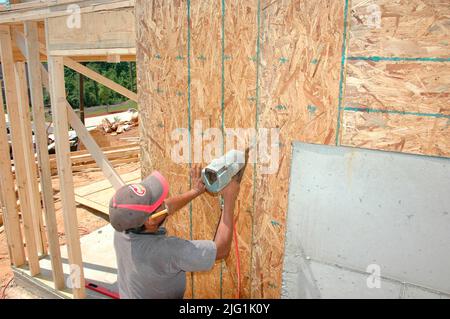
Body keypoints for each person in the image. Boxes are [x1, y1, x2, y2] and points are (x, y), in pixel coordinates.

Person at [109, 165, 241, 299]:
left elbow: (165, 209)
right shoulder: (167, 250)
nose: (164, 202)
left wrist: (195, 191)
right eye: (159, 203)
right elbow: (221, 249)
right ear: (151, 220)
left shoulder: (122, 228)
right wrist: (229, 198)